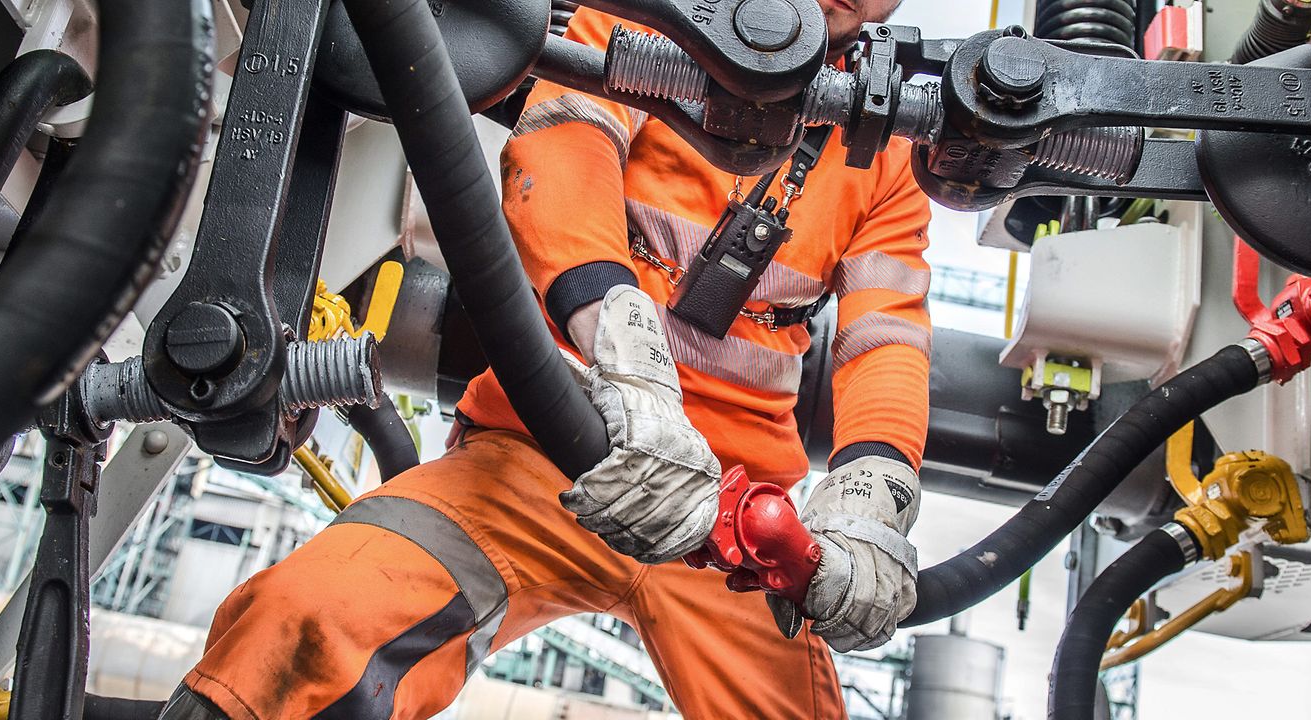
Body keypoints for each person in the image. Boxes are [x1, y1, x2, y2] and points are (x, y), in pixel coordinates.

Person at [160, 0, 929, 715]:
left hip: (734, 531)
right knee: (305, 622)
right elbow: (565, 152)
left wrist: (872, 500)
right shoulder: (657, 18)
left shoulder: (890, 152)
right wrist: (626, 362)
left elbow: (886, 338)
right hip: (543, 455)